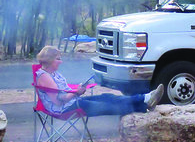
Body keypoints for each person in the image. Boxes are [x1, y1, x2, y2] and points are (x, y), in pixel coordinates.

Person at [35, 45, 164, 117]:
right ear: (49, 60)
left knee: (106, 96)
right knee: (108, 106)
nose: (60, 61)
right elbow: (58, 101)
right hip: (64, 109)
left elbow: (63, 92)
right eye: (58, 59)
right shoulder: (44, 76)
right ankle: (145, 99)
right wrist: (76, 92)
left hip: (73, 102)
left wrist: (77, 90)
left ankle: (145, 102)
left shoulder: (53, 73)